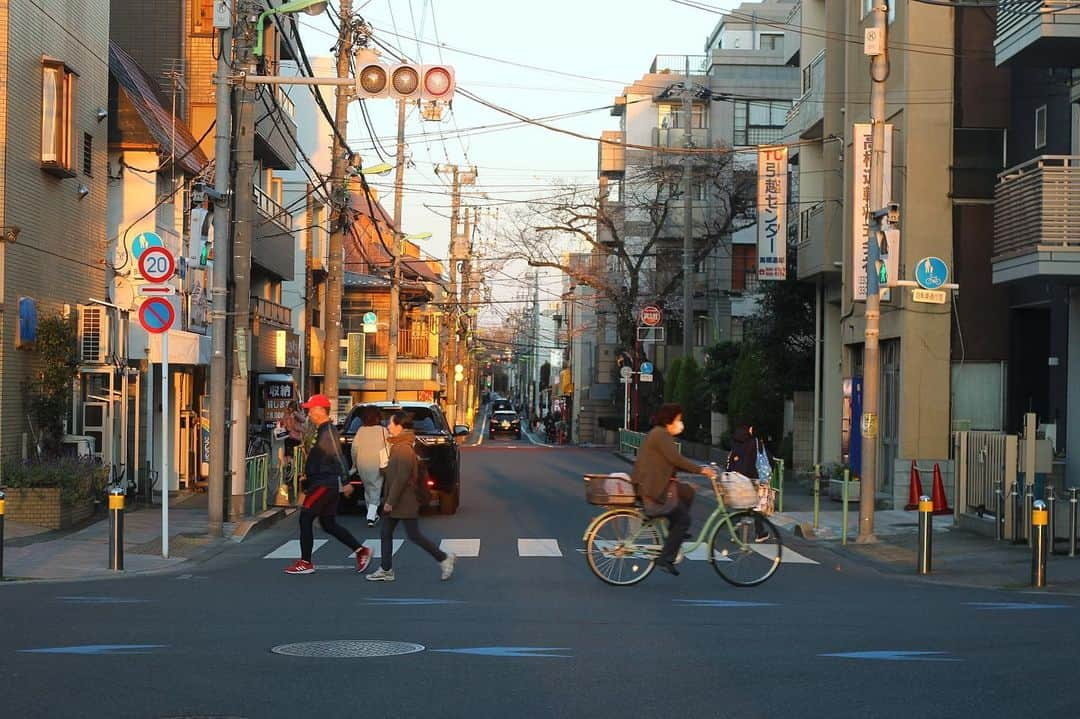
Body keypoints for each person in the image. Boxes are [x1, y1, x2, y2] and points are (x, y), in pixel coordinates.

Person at [284, 394, 373, 575]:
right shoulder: (321, 429)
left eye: (311, 409)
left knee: (305, 517)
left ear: (319, 410)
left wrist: (346, 481)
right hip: (322, 481)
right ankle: (361, 550)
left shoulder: (328, 431)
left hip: (324, 482)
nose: (309, 412)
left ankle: (305, 562)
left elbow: (338, 456)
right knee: (328, 523)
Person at [367, 411, 456, 582]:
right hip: (399, 500)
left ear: (400, 426)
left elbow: (402, 478)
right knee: (387, 532)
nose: (388, 427)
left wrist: (390, 502)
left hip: (404, 501)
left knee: (414, 535)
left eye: (391, 424)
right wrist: (384, 468)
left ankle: (444, 558)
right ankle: (386, 569)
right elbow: (397, 474)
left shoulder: (403, 448)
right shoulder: (399, 446)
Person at [630, 403, 717, 576]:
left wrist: (696, 471)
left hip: (653, 484)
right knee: (684, 519)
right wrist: (702, 470)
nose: (680, 423)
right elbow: (676, 459)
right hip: (652, 489)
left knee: (687, 492)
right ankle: (665, 558)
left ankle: (675, 532)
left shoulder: (660, 434)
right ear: (669, 420)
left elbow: (672, 462)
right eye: (678, 419)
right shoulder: (660, 435)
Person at [726, 424, 770, 542]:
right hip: (751, 478)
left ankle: (734, 531)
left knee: (738, 505)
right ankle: (760, 532)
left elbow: (731, 460)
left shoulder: (736, 442)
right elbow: (762, 459)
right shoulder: (754, 442)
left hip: (735, 478)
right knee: (756, 505)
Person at [351, 405, 389, 527]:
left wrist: (354, 464)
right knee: (375, 489)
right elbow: (389, 447)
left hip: (362, 462)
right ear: (378, 417)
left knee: (368, 488)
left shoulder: (361, 430)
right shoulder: (383, 431)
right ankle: (371, 516)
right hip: (377, 462)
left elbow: (354, 449)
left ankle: (372, 513)